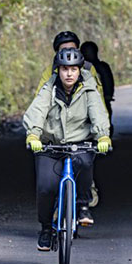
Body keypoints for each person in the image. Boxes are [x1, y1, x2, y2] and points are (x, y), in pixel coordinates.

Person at [23, 47, 112, 251]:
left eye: (73, 69)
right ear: (58, 70)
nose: (69, 74)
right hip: (50, 144)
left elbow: (97, 112)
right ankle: (46, 228)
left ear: (80, 70)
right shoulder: (49, 88)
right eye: (64, 69)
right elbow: (37, 110)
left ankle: (82, 206)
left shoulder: (89, 88)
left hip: (79, 143)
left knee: (86, 162)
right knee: (46, 187)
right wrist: (34, 134)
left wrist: (102, 135)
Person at [35, 31, 104, 100]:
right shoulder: (50, 71)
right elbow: (39, 97)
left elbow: (98, 98)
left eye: (72, 49)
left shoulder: (88, 68)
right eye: (64, 50)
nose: (68, 53)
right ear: (57, 52)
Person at [80, 41, 115, 135]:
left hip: (101, 99)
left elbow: (108, 82)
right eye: (86, 52)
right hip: (82, 101)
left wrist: (108, 95)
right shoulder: (77, 68)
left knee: (106, 115)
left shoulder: (102, 67)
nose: (88, 54)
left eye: (90, 52)